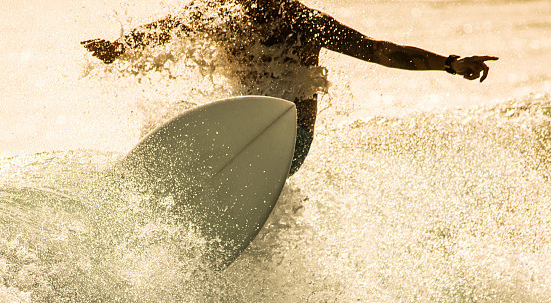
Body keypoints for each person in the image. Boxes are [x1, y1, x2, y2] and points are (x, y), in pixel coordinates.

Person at [82, 0, 497, 174]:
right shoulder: (220, 12)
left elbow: (379, 51)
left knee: (261, 120)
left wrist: (449, 63)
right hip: (240, 127)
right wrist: (120, 49)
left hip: (290, 139)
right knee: (172, 112)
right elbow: (164, 32)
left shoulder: (306, 24)